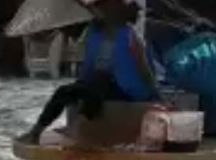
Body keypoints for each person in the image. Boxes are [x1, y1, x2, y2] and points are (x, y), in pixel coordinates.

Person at [22, 0, 161, 143]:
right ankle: (36, 131)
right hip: (97, 87)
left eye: (103, 9)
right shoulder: (95, 33)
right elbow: (88, 11)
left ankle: (79, 125)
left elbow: (144, 69)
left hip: (125, 90)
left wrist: (155, 95)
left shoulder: (130, 37)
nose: (98, 12)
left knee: (100, 79)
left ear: (117, 13)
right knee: (65, 91)